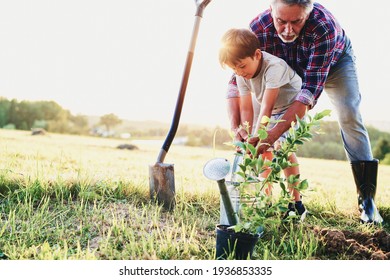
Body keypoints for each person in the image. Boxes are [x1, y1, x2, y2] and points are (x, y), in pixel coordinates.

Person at [226, 0, 383, 224]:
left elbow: (308, 93)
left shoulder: (324, 27)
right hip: (285, 71)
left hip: (334, 63)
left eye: (296, 21)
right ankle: (264, 198)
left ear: (307, 14)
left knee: (348, 113)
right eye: (281, 21)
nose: (288, 30)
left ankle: (367, 201)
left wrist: (271, 136)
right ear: (271, 10)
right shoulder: (258, 28)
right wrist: (236, 128)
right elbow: (236, 80)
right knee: (256, 132)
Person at [220, 28, 307, 221]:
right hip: (272, 110)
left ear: (257, 55)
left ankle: (296, 203)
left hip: (291, 108)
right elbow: (247, 110)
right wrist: (246, 134)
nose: (240, 73)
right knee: (263, 151)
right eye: (235, 70)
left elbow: (266, 107)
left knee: (281, 147)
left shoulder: (274, 67)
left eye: (242, 66)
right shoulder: (242, 74)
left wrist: (259, 136)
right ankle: (265, 200)